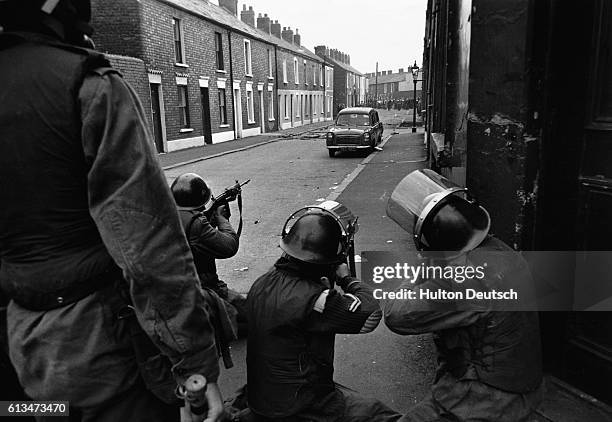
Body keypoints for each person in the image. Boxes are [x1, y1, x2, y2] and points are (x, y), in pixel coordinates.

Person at [0, 1, 223, 420]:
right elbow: (148, 247)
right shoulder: (89, 85)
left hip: (20, 346)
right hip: (94, 349)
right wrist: (196, 365)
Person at [384, 169, 543, 422]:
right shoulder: (498, 250)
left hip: (487, 398)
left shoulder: (464, 281)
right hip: (519, 382)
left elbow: (397, 315)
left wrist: (418, 272)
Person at [240, 202, 401, 422]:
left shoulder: (262, 283)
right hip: (301, 406)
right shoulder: (315, 299)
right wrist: (346, 279)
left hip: (263, 397)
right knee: (382, 415)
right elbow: (370, 313)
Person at [171, 172, 247, 340]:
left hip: (177, 288)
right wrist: (222, 219)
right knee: (254, 316)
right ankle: (211, 325)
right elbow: (229, 246)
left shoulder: (169, 214)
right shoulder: (197, 223)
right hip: (203, 290)